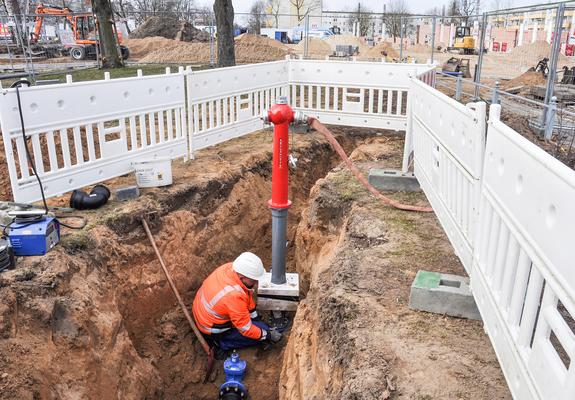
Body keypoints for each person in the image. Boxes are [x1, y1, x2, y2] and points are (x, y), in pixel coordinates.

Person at [192, 252, 282, 352]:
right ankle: (222, 343)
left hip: (204, 311)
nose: (256, 283)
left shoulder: (231, 268)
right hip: (212, 328)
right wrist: (266, 335)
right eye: (253, 280)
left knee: (260, 327)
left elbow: (246, 293)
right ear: (243, 277)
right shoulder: (234, 296)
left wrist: (256, 319)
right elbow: (245, 329)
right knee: (257, 336)